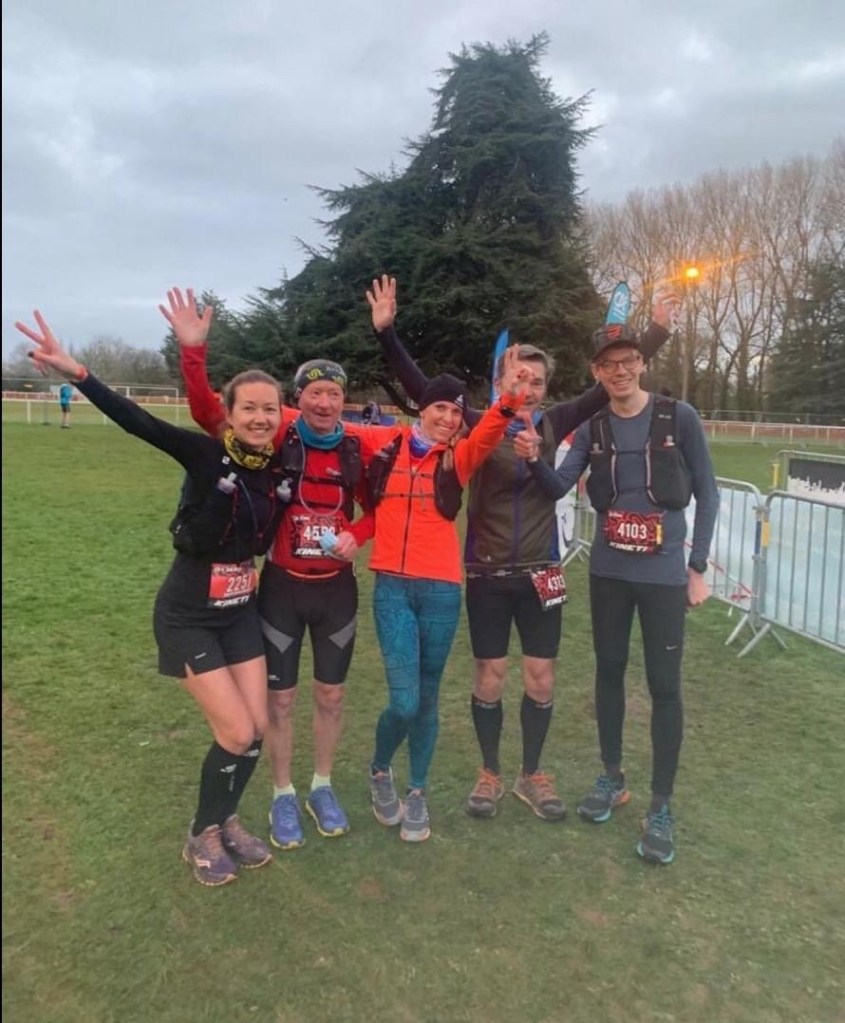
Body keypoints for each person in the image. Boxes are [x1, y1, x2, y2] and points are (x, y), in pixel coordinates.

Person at [367, 275, 676, 824]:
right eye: (519, 378)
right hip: (486, 572)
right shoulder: (477, 427)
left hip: (542, 572)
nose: (528, 388)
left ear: (545, 388)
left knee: (541, 676)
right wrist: (388, 333)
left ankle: (532, 773)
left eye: (536, 381)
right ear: (501, 381)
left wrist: (655, 331)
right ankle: (490, 772)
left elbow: (612, 380)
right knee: (489, 675)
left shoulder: (556, 422)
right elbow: (422, 390)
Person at [16, 301, 285, 888]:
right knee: (235, 733)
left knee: (257, 728)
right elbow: (138, 421)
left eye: (270, 408)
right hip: (188, 616)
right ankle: (202, 832)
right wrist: (76, 372)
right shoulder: (206, 453)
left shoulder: (277, 468)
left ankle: (227, 819)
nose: (261, 417)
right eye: (249, 408)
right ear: (229, 414)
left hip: (240, 614)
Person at [168, 288, 376, 851]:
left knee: (331, 697)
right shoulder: (276, 434)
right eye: (314, 393)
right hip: (281, 588)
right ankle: (283, 793)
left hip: (336, 593)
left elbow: (378, 508)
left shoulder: (355, 449)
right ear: (297, 400)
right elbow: (209, 413)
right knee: (279, 701)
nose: (325, 403)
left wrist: (356, 536)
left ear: (344, 399)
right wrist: (194, 353)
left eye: (334, 394)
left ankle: (322, 786)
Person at [513, 321, 718, 864]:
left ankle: (661, 805)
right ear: (596, 372)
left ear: (642, 363)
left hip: (664, 577)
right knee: (609, 672)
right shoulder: (594, 427)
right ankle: (612, 776)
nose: (620, 371)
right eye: (609, 364)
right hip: (608, 575)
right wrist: (534, 457)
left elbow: (709, 491)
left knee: (664, 686)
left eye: (629, 361)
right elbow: (558, 487)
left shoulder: (679, 416)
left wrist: (697, 567)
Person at [361, 337, 531, 842]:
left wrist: (509, 398)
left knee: (429, 698)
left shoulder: (457, 458)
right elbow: (320, 424)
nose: (449, 418)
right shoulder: (385, 443)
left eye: (456, 412)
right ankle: (379, 769)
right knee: (404, 701)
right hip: (392, 588)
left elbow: (491, 429)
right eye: (440, 408)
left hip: (441, 592)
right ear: (422, 408)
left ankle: (417, 791)